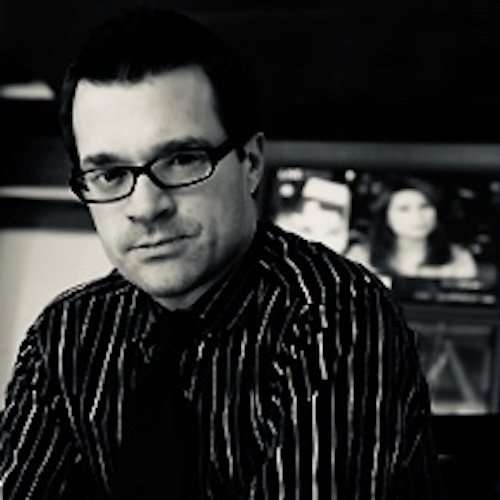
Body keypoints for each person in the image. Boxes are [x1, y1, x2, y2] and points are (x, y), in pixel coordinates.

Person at [0, 6, 444, 499]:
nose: (145, 207)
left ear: (250, 163)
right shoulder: (64, 335)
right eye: (109, 174)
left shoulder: (334, 315)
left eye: (182, 159)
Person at [346, 175, 478, 280]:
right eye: (404, 209)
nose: (417, 217)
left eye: (425, 206)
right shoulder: (360, 257)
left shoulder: (459, 258)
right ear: (385, 216)